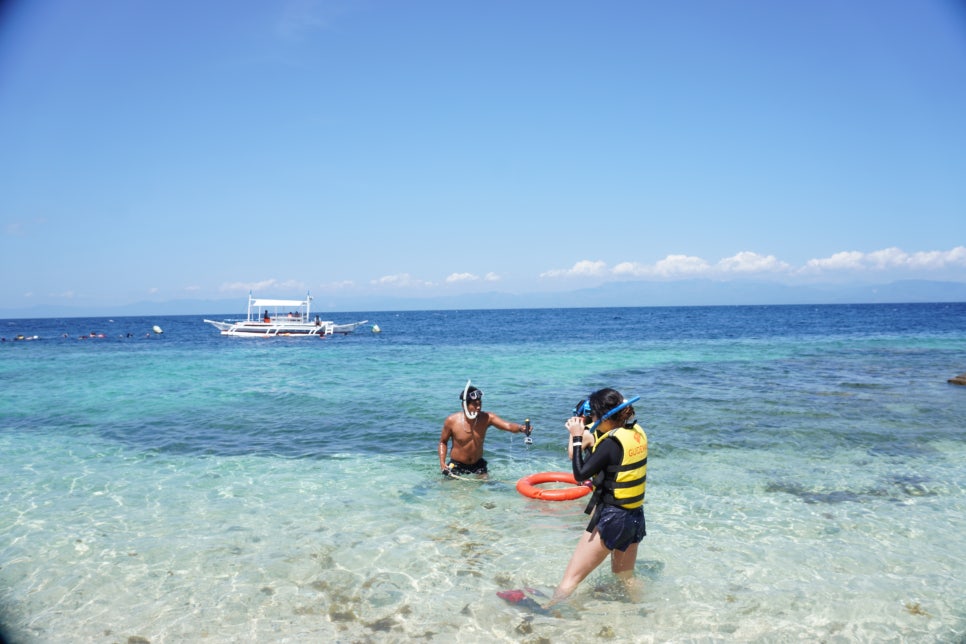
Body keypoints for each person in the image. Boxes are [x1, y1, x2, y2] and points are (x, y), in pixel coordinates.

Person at [547, 388, 647, 607]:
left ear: (602, 416)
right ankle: (642, 612)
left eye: (593, 415)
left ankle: (546, 611)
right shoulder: (635, 431)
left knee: (571, 578)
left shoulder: (611, 443)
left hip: (612, 518)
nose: (591, 419)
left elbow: (579, 474)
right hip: (635, 515)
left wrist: (575, 436)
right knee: (626, 576)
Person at [438, 382, 532, 477]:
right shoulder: (452, 421)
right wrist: (442, 462)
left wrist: (521, 428)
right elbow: (443, 442)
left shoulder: (487, 418)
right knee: (451, 489)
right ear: (464, 405)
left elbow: (508, 426)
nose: (478, 407)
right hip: (456, 464)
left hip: (478, 464)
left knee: (487, 488)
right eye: (475, 404)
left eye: (480, 404)